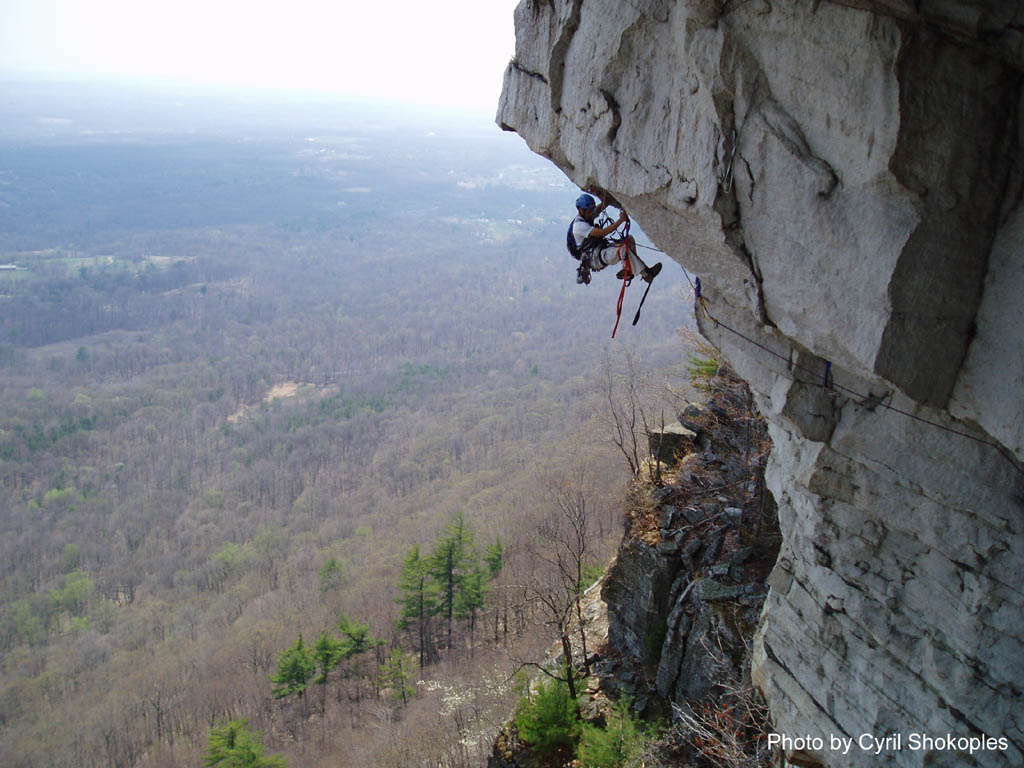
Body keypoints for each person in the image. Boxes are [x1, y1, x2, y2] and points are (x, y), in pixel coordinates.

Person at [570, 192, 661, 285]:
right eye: (589, 211)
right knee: (623, 250)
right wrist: (621, 220)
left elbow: (602, 206)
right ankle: (647, 275)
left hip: (600, 251)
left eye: (591, 210)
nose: (591, 213)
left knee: (629, 240)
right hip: (595, 259)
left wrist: (600, 193)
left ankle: (628, 270)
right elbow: (603, 232)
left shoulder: (587, 215)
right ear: (581, 210)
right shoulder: (579, 226)